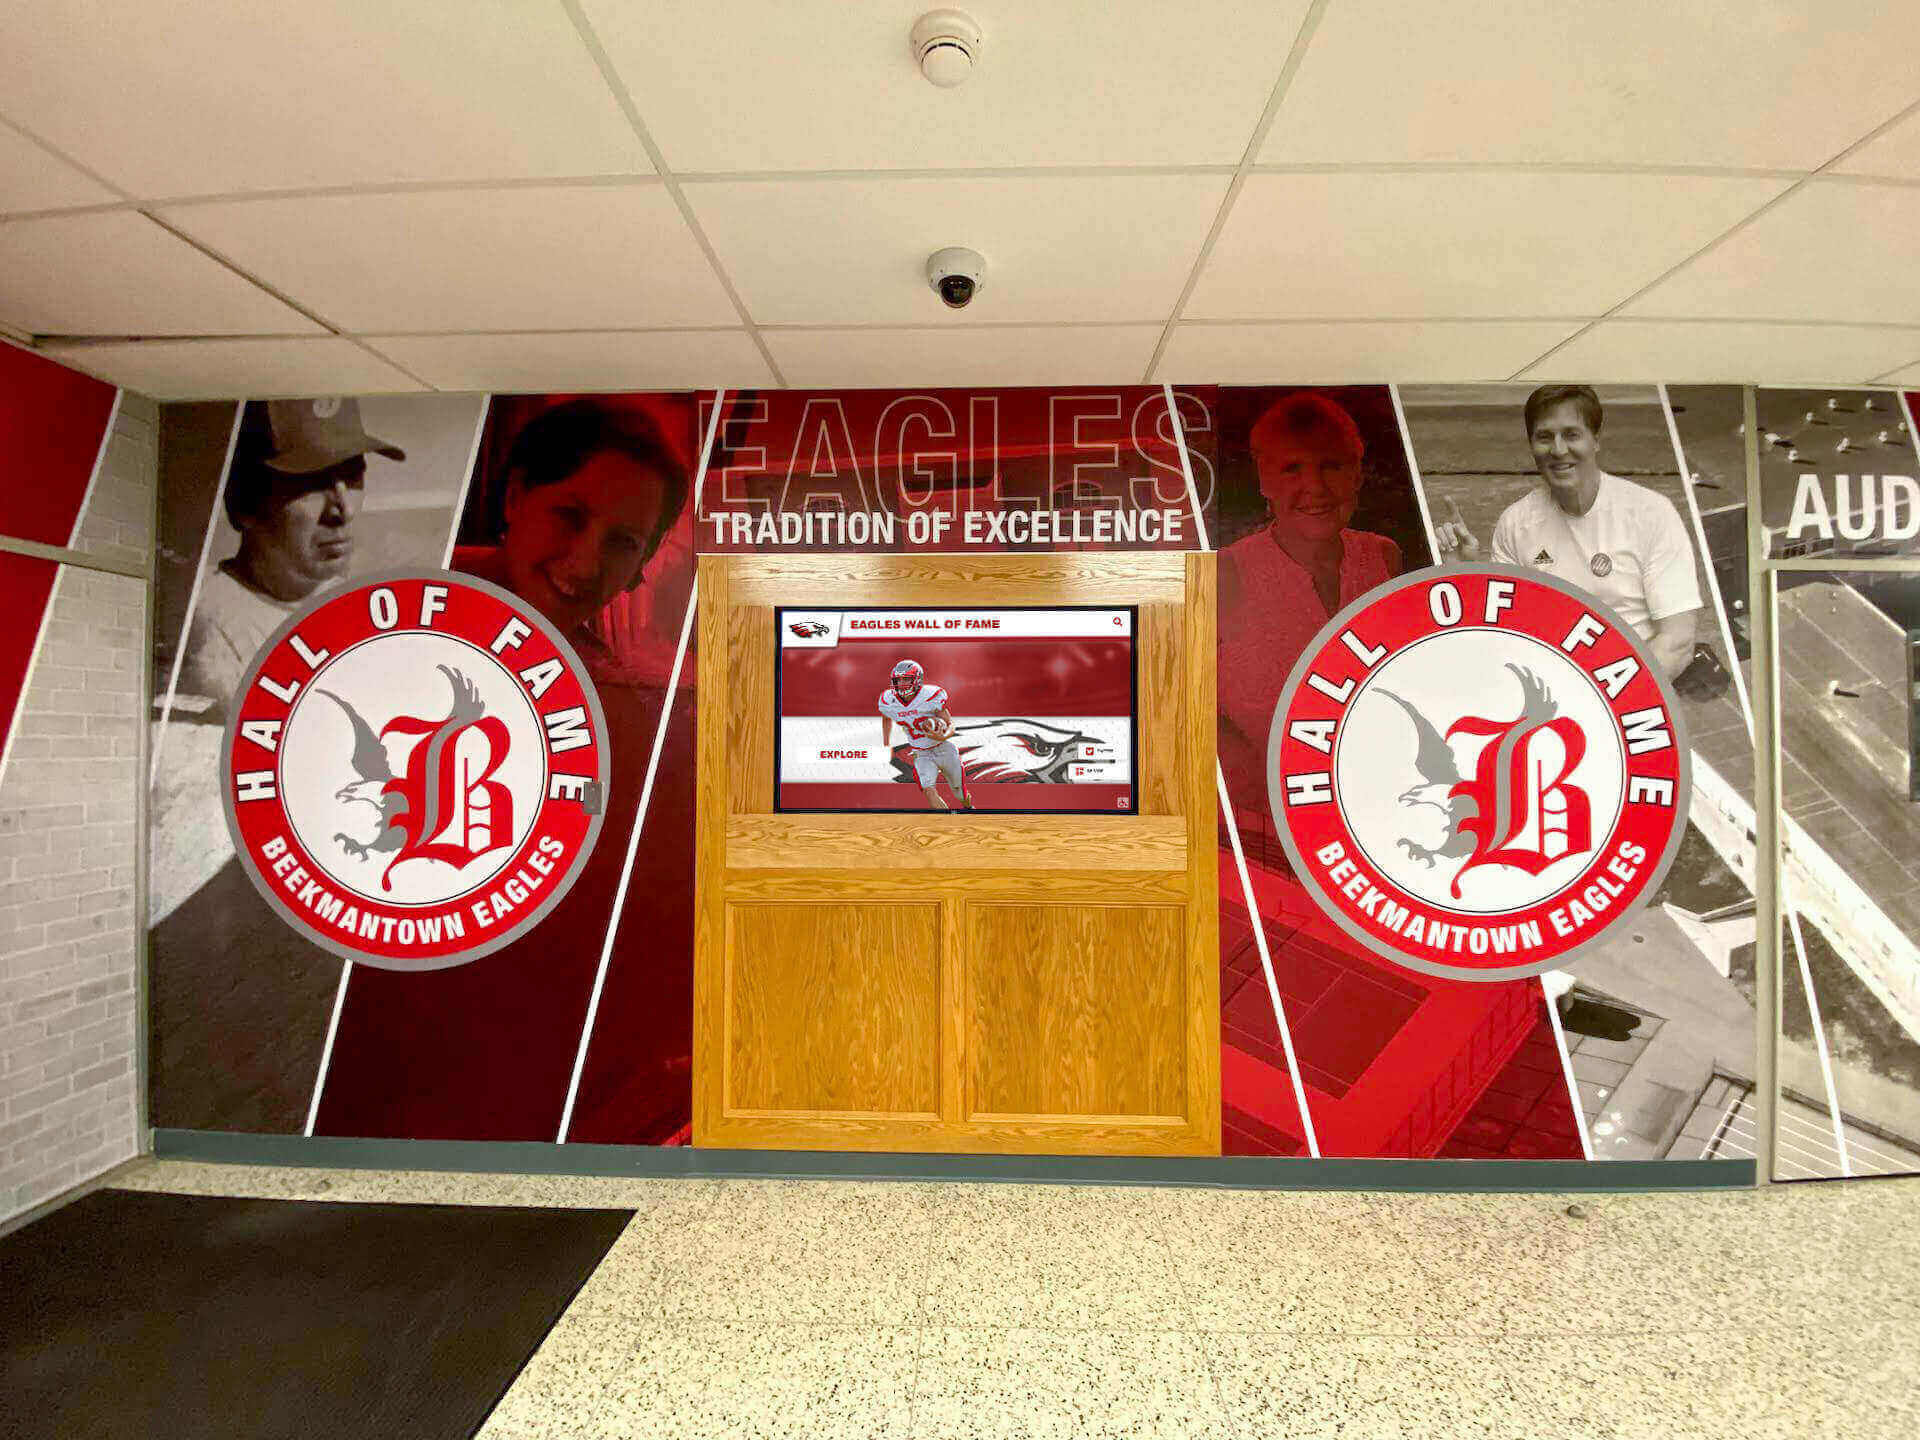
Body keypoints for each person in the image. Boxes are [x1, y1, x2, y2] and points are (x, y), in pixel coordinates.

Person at [1433, 384, 1700, 678]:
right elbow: (1504, 638)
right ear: (1531, 443)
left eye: (1572, 435)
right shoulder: (1515, 524)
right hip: (1556, 687)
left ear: (1595, 440)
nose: (1558, 450)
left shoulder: (1652, 513)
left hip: (1635, 691)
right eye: (1545, 437)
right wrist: (1468, 573)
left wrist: (1613, 699)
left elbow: (1677, 642)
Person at [1217, 392, 1402, 801]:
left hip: (1374, 800)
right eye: (1292, 469)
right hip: (1257, 819)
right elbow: (1192, 712)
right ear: (1264, 481)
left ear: (1357, 474)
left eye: (1331, 466)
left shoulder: (1383, 558)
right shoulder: (1226, 572)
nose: (1314, 487)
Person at [178, 397, 402, 708]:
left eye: (353, 477)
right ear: (245, 504)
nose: (344, 510)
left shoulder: (358, 608)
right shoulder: (202, 633)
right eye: (312, 483)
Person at [455, 398, 688, 681]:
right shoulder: (419, 601)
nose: (586, 567)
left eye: (624, 541)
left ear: (644, 559)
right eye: (570, 516)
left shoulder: (597, 679)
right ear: (515, 497)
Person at [879, 658, 973, 810]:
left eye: (906, 679)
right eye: (899, 680)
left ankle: (969, 808)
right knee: (929, 791)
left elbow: (950, 724)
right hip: (921, 753)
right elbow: (886, 718)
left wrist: (942, 736)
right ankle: (949, 824)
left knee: (959, 793)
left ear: (917, 680)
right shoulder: (888, 701)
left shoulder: (930, 696)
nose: (902, 684)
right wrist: (886, 743)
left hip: (943, 748)